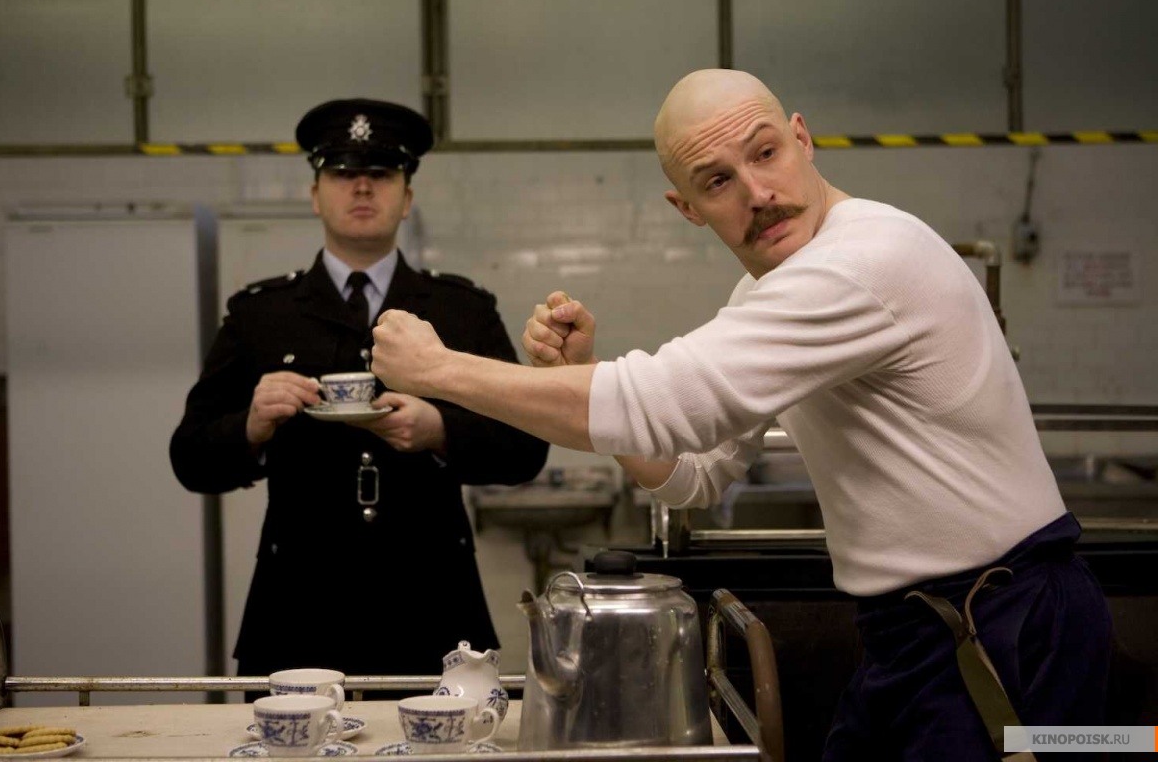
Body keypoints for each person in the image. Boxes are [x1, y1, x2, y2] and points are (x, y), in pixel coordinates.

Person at [369, 70, 1112, 759]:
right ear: (688, 208)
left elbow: (662, 404)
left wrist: (439, 370)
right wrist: (576, 379)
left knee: (1094, 750)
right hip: (911, 628)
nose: (758, 192)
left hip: (1006, 620)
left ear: (802, 138)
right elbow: (695, 474)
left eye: (766, 153)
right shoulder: (770, 289)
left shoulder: (864, 260)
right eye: (718, 180)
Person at [169, 98, 549, 690]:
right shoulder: (262, 314)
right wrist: (250, 426)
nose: (363, 187)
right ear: (315, 194)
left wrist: (440, 430)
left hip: (432, 609)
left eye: (382, 173)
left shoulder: (460, 310)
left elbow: (526, 448)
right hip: (296, 611)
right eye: (343, 173)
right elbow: (190, 457)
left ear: (407, 197)